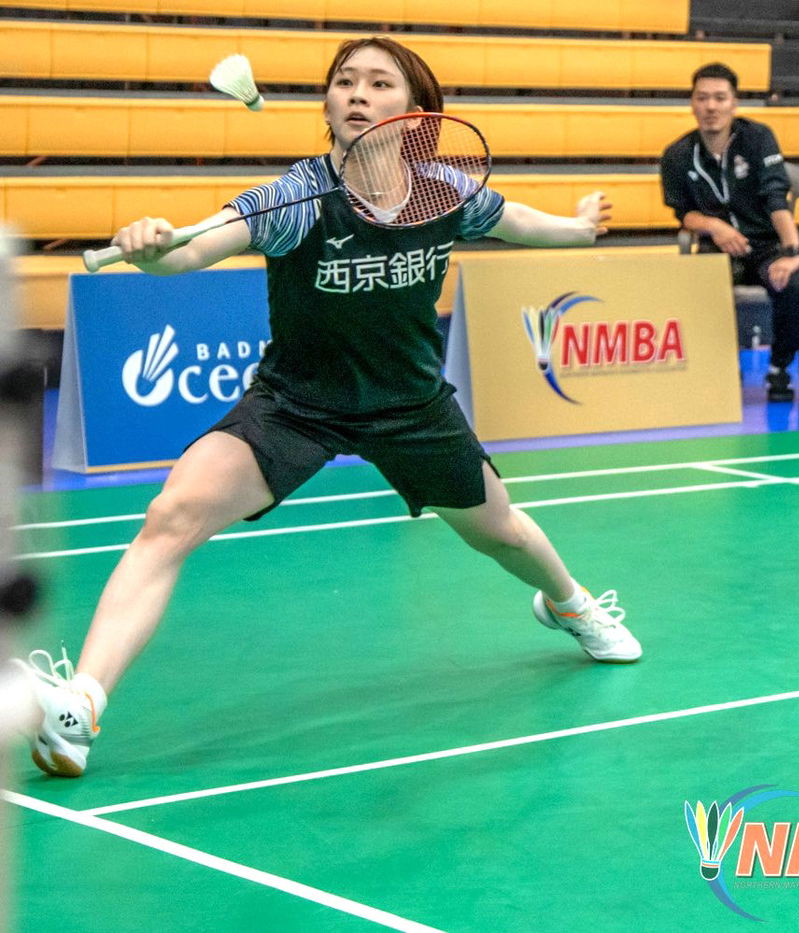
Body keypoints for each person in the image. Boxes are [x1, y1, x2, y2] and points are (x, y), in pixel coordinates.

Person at [8, 36, 642, 780]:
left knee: (499, 531)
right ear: (328, 104)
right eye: (345, 81)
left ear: (415, 112)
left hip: (409, 402)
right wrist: (151, 247)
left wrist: (579, 224)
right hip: (298, 401)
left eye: (379, 82)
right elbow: (193, 250)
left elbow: (527, 227)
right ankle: (81, 705)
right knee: (173, 513)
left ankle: (569, 604)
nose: (358, 94)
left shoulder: (446, 190)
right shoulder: (295, 198)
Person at [660, 63, 799, 403]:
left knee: (797, 285)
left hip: (768, 244)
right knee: (705, 286)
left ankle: (779, 368)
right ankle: (721, 366)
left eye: (719, 98)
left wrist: (792, 252)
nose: (711, 107)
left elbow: (777, 199)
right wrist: (714, 226)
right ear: (692, 103)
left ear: (734, 103)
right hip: (719, 247)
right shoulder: (677, 155)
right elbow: (683, 214)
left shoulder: (758, 138)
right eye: (702, 98)